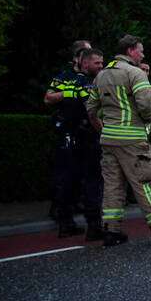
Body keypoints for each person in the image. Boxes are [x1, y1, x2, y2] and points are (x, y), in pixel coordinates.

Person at [85, 35, 151, 246]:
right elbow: (147, 107)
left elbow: (91, 109)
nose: (143, 54)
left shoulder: (101, 75)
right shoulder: (135, 73)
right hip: (132, 140)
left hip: (108, 140)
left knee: (112, 187)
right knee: (143, 184)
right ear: (130, 51)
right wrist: (148, 121)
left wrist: (105, 128)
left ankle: (111, 232)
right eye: (140, 50)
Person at [44, 46, 104, 238]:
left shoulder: (72, 79)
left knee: (70, 180)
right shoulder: (83, 82)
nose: (100, 66)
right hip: (83, 137)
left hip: (71, 136)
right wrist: (104, 133)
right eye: (97, 63)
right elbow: (91, 112)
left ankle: (66, 223)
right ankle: (93, 226)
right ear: (83, 61)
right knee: (91, 181)